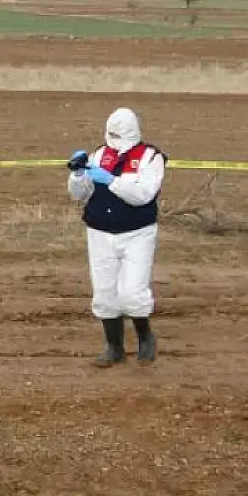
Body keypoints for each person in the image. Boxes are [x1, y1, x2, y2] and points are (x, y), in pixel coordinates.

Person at [67, 107, 166, 366]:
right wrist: (77, 175)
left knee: (132, 293)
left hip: (137, 233)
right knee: (104, 293)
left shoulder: (150, 158)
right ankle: (114, 347)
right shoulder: (99, 154)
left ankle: (145, 338)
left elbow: (143, 194)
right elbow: (80, 194)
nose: (113, 139)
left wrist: (111, 180)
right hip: (99, 232)